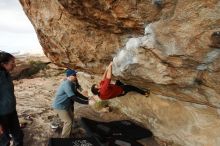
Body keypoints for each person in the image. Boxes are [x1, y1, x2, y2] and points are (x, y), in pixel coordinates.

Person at [52, 69, 93, 138]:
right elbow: (73, 97)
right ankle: (64, 138)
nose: (76, 76)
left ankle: (69, 132)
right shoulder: (66, 84)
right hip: (60, 107)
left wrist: (87, 98)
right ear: (70, 76)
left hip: (66, 106)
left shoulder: (72, 83)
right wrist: (87, 102)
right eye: (74, 75)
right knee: (68, 122)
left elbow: (77, 94)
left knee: (71, 118)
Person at [0, 51, 24, 146]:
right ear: (3, 64)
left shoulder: (7, 74)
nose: (15, 64)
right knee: (4, 141)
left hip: (11, 111)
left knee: (18, 136)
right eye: (12, 62)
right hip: (1, 116)